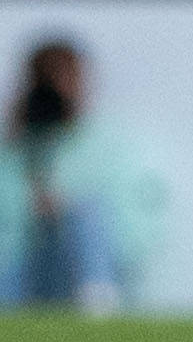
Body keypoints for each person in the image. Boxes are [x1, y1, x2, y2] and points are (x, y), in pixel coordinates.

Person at [12, 39, 161, 313]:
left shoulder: (112, 147)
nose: (60, 90)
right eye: (48, 80)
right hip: (31, 272)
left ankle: (96, 303)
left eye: (68, 78)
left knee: (85, 213)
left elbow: (138, 234)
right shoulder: (15, 150)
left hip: (97, 271)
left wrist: (66, 211)